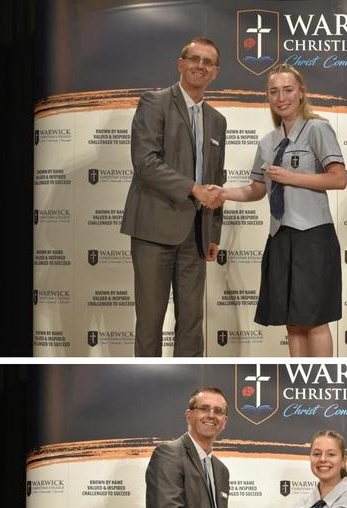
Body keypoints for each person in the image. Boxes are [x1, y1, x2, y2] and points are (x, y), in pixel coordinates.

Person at [218, 64, 347, 357]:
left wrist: (291, 177)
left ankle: (320, 385)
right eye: (273, 92)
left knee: (314, 320)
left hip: (313, 235)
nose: (281, 97)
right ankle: (299, 381)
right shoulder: (267, 142)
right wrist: (223, 193)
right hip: (280, 237)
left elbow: (339, 178)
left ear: (301, 93)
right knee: (293, 323)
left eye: (288, 90)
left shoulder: (317, 128)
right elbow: (257, 189)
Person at [120, 37, 227, 357]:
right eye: (194, 59)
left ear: (215, 72)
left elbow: (215, 180)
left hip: (196, 234)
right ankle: (144, 389)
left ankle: (191, 381)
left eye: (208, 62)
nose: (200, 66)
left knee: (192, 323)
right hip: (154, 227)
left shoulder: (218, 121)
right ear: (180, 64)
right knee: (150, 322)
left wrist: (213, 232)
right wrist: (192, 189)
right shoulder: (155, 102)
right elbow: (145, 163)